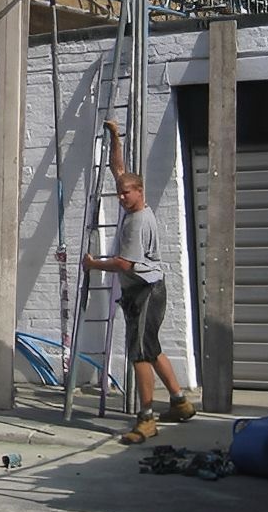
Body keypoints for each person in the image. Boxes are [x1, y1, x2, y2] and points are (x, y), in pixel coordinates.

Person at [82, 119, 196, 443]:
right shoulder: (133, 201)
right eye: (119, 193)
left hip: (145, 291)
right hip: (145, 289)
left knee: (140, 354)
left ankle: (146, 420)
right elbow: (118, 168)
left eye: (126, 193)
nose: (121, 197)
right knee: (152, 348)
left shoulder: (136, 222)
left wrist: (92, 264)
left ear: (140, 192)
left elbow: (123, 263)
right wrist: (115, 137)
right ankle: (180, 403)